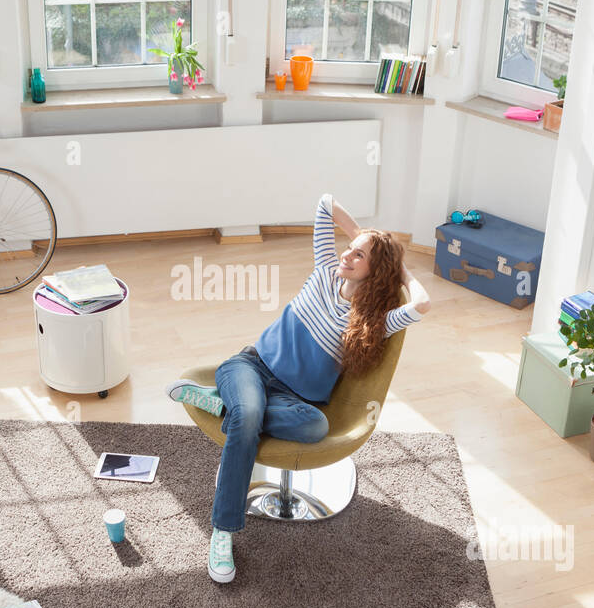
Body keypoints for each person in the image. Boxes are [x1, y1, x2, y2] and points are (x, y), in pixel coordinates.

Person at [166, 193, 431, 583]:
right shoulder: (325, 269)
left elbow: (422, 304)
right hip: (251, 368)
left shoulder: (372, 319)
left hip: (296, 401)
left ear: (376, 273)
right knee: (251, 414)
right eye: (349, 249)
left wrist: (398, 267)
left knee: (315, 427)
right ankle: (223, 532)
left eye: (359, 256)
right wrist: (367, 239)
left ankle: (221, 407)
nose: (347, 255)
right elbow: (326, 203)